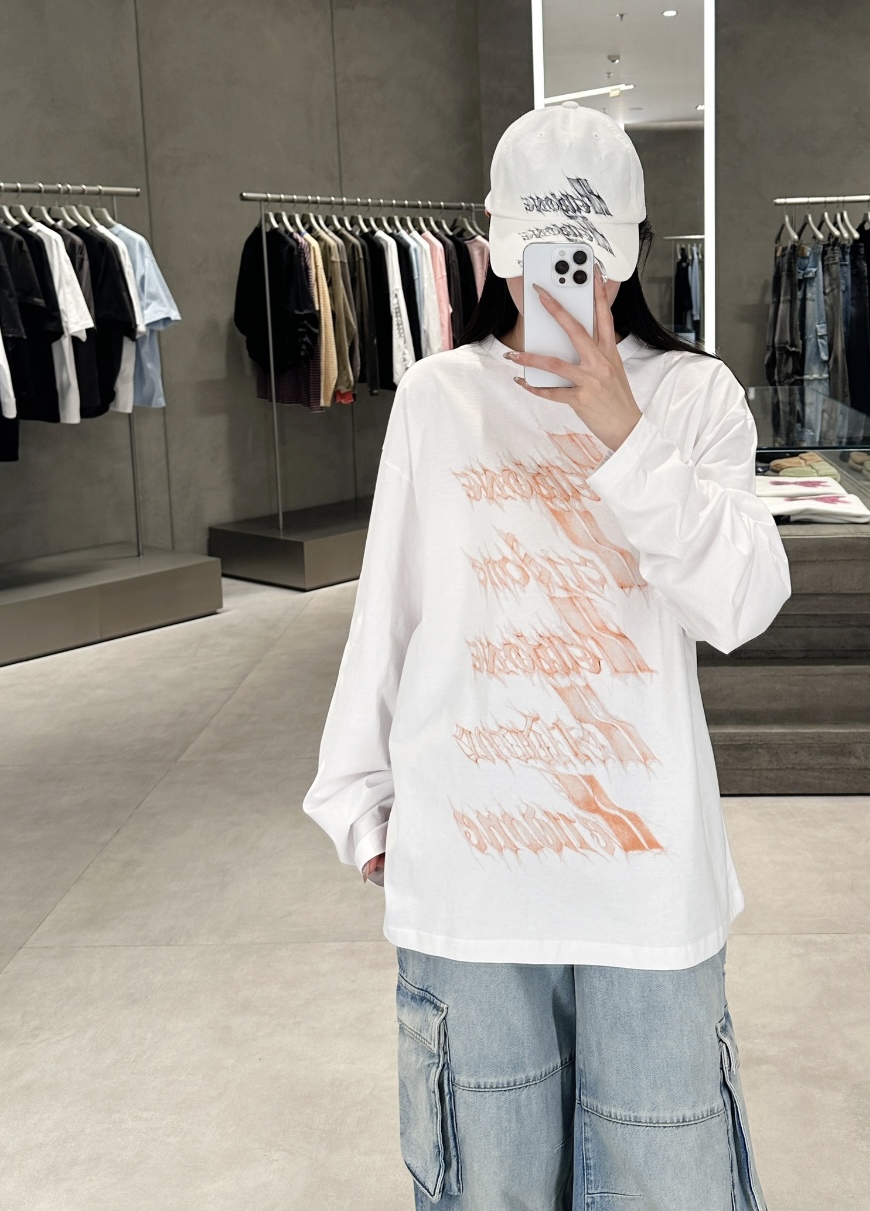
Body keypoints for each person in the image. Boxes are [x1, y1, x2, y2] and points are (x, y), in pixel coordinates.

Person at [303, 102, 792, 1210]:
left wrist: (624, 431)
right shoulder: (438, 398)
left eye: (590, 253)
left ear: (631, 251)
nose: (567, 280)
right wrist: (362, 798)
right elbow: (392, 608)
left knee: (666, 1181)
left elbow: (740, 605)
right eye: (541, 250)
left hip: (645, 866)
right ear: (494, 248)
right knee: (490, 1185)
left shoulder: (693, 397)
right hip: (470, 859)